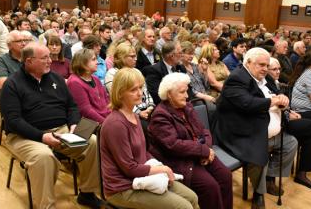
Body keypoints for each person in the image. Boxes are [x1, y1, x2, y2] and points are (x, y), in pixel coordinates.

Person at [0, 42, 102, 209]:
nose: (50, 61)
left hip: (61, 130)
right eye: (45, 58)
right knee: (44, 157)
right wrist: (42, 137)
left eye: (49, 56)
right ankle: (46, 206)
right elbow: (13, 121)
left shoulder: (56, 78)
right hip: (24, 136)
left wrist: (74, 124)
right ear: (29, 61)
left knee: (91, 142)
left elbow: (72, 106)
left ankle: (87, 193)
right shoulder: (12, 84)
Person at [100, 68, 199, 209]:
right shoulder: (115, 124)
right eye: (133, 90)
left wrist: (159, 167)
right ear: (120, 93)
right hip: (122, 188)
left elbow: (144, 152)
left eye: (140, 87)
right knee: (184, 207)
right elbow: (129, 168)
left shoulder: (134, 116)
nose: (140, 93)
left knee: (192, 198)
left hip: (141, 177)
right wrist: (163, 169)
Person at [212, 48, 297, 209]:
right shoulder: (236, 79)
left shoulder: (266, 77)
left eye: (267, 65)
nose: (265, 68)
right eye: (261, 65)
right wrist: (272, 101)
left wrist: (283, 98)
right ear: (248, 63)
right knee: (259, 154)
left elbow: (278, 92)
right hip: (241, 132)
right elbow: (247, 103)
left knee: (291, 143)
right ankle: (258, 194)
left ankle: (269, 178)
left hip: (266, 130)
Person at [148, 72, 232, 209]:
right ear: (169, 94)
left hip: (200, 153)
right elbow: (174, 145)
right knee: (210, 187)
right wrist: (203, 151)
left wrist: (208, 150)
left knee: (225, 177)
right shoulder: (160, 116)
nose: (187, 96)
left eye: (186, 91)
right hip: (179, 160)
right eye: (182, 92)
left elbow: (204, 131)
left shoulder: (187, 107)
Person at [267, 57, 311, 190]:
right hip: (278, 123)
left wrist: (290, 112)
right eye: (274, 69)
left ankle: (302, 174)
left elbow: (283, 105)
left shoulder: (275, 82)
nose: (278, 72)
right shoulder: (265, 83)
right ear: (266, 70)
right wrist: (289, 114)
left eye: (279, 69)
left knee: (310, 138)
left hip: (285, 117)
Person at [104, 41, 155, 122]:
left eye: (136, 56)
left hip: (146, 109)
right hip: (127, 113)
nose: (136, 59)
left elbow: (145, 92)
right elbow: (118, 98)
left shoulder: (136, 71)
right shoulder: (112, 74)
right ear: (122, 57)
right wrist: (139, 112)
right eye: (132, 56)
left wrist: (150, 106)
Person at [67, 48, 110, 124]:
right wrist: (106, 123)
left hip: (106, 120)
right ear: (83, 63)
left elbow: (107, 101)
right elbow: (86, 111)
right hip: (91, 124)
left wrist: (112, 118)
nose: (97, 62)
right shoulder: (74, 82)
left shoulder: (96, 79)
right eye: (93, 60)